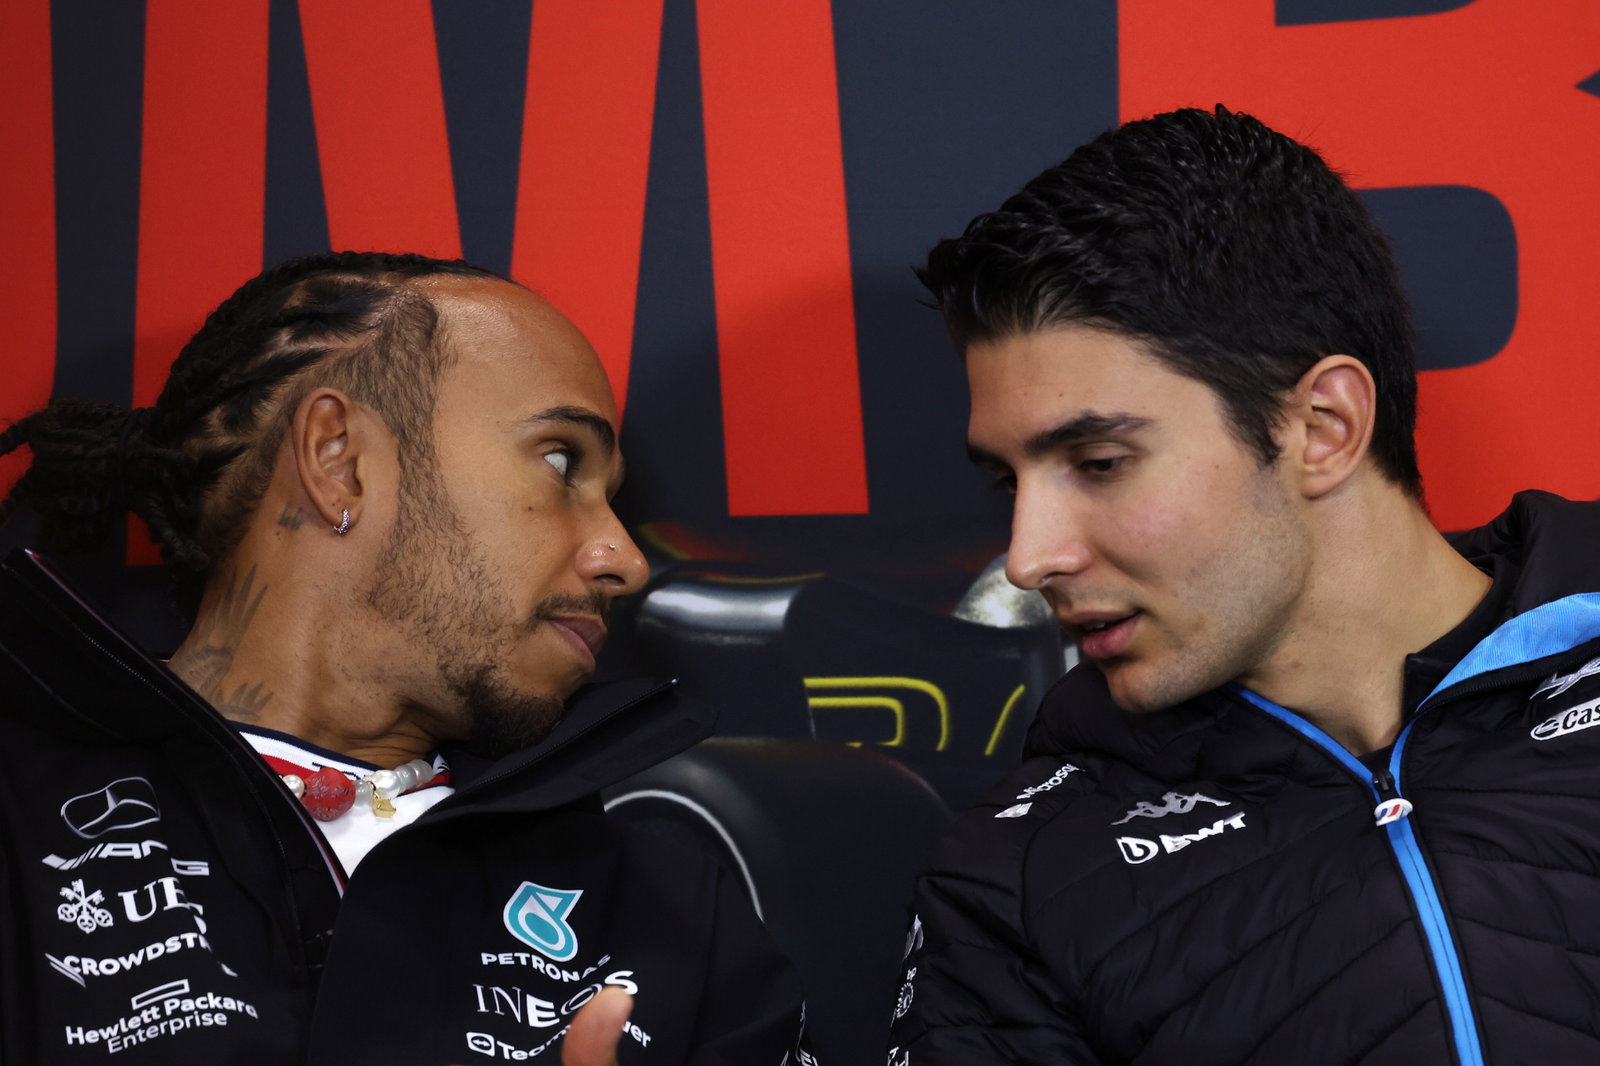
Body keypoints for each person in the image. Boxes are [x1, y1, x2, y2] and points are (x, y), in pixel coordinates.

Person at [886, 105, 1600, 1064]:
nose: (1029, 556)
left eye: (1097, 461)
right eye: (1008, 482)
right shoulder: (1019, 872)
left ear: (1322, 427)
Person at [0, 252, 813, 1064]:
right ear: (339, 459)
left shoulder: (666, 909)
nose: (624, 560)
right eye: (562, 461)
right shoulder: (21, 832)